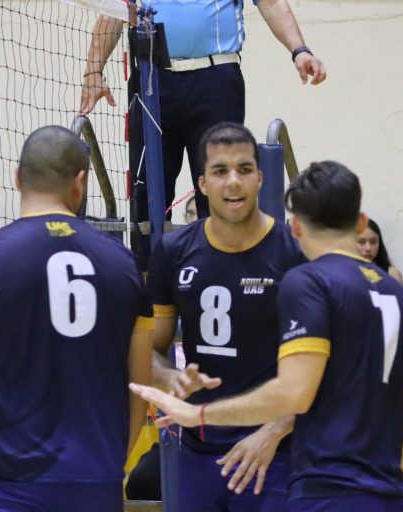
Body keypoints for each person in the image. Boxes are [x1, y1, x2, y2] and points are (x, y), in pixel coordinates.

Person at [132, 160, 403, 512]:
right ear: (360, 223)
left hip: (325, 494)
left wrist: (199, 414)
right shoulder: (402, 298)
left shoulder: (310, 282)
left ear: (296, 227)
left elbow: (293, 394)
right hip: (388, 494)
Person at [0, 125, 153, 512]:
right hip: (95, 481)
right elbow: (139, 386)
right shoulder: (124, 264)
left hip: (5, 484)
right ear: (80, 182)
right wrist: (111, 465)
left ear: (17, 178)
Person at [80, 1, 325, 265]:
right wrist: (93, 71)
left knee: (221, 184)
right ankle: (149, 286)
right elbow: (116, 11)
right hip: (152, 79)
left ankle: (223, 273)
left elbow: (272, 3)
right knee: (147, 193)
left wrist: (299, 51)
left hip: (216, 79)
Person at [144, 122, 305, 511]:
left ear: (261, 177)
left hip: (275, 452)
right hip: (200, 452)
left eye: (244, 169)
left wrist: (274, 431)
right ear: (201, 183)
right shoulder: (172, 251)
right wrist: (171, 379)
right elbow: (149, 352)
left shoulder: (294, 253)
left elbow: (328, 366)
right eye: (220, 171)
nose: (233, 182)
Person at [356, 218, 403, 284]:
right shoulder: (342, 272)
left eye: (373, 242)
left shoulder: (392, 274)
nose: (368, 248)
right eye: (361, 242)